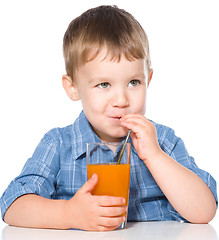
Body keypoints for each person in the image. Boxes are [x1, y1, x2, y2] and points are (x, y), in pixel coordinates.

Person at [0, 5, 217, 231]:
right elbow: (12, 205)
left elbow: (204, 211)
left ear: (148, 79)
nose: (121, 100)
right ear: (73, 87)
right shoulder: (58, 143)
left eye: (134, 82)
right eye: (104, 84)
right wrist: (68, 214)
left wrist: (155, 155)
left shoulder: (163, 141)